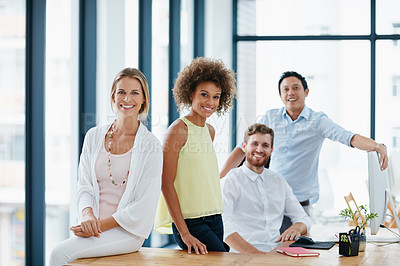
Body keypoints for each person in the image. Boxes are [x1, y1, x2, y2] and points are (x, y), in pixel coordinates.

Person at [220, 71, 388, 231]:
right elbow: (243, 148)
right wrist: (218, 178)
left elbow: (347, 137)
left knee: (294, 251)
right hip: (270, 198)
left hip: (299, 202)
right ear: (280, 96)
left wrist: (377, 146)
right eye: (285, 89)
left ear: (306, 91)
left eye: (295, 88)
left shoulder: (317, 121)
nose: (290, 92)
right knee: (266, 249)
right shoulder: (271, 117)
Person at [49, 68, 163, 265]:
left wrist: (97, 226)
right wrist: (87, 215)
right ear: (113, 96)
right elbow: (84, 186)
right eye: (121, 92)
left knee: (59, 254)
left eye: (135, 93)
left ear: (144, 99)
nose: (127, 98)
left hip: (127, 231)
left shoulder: (151, 145)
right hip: (93, 226)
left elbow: (143, 205)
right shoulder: (93, 136)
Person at [154, 57, 237, 255]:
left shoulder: (210, 131)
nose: (211, 102)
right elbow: (166, 184)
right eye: (204, 95)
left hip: (215, 216)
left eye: (216, 96)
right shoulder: (178, 130)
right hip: (191, 222)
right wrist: (184, 233)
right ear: (191, 94)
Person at [222, 124, 311, 253]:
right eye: (254, 144)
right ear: (244, 146)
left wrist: (296, 228)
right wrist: (258, 257)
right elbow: (225, 227)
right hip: (243, 257)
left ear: (271, 149)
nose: (259, 149)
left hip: (277, 254)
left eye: (265, 145)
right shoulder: (231, 180)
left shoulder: (278, 181)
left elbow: (303, 218)